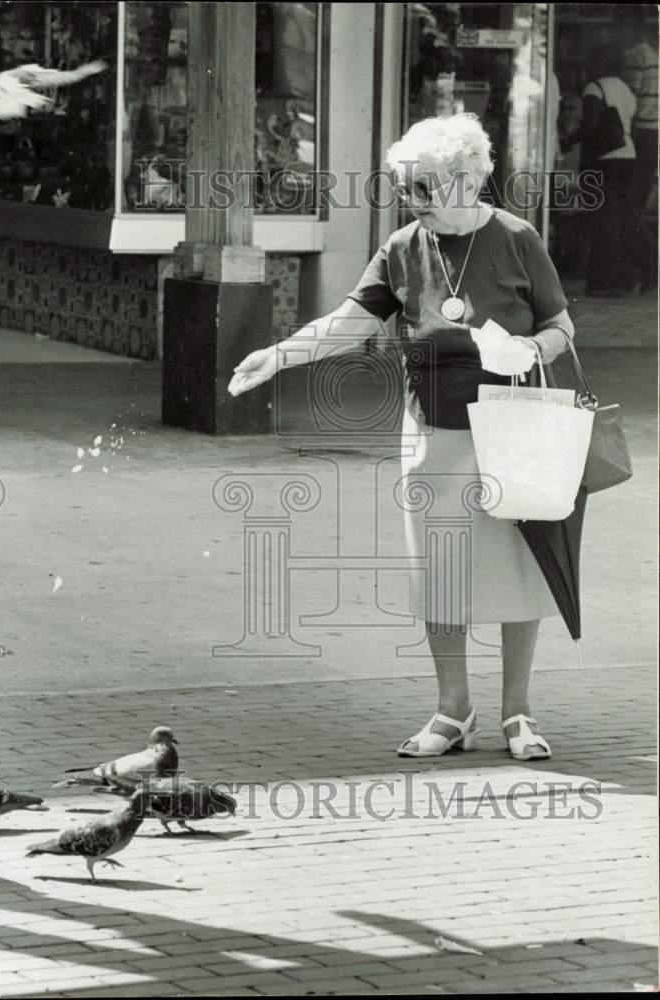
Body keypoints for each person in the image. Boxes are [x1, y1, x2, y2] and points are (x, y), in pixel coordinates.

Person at [230, 113, 575, 762]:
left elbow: (561, 329)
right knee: (439, 573)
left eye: (425, 187)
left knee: (519, 568)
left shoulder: (516, 238)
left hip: (514, 424)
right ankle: (453, 712)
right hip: (432, 430)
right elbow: (346, 324)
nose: (411, 200)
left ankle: (517, 713)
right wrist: (278, 355)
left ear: (470, 180)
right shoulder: (401, 248)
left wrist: (529, 345)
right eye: (406, 188)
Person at [579, 45, 638, 297]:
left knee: (604, 222)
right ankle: (626, 278)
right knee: (622, 220)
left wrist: (570, 139)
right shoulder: (625, 88)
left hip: (605, 160)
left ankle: (602, 281)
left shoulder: (594, 87)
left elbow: (590, 126)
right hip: (628, 156)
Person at [621, 13, 658, 291]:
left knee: (628, 207)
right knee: (635, 205)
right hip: (652, 135)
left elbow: (628, 100)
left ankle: (648, 264)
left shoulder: (634, 57)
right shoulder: (655, 57)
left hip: (638, 136)